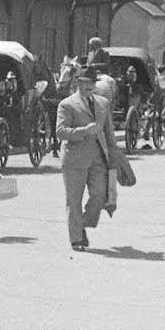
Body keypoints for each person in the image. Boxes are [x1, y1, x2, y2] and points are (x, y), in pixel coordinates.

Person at [56, 65, 119, 251]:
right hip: (74, 159)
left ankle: (83, 224)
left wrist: (114, 153)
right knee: (74, 199)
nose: (88, 87)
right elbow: (60, 131)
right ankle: (76, 239)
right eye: (84, 83)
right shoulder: (67, 104)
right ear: (77, 83)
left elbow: (109, 130)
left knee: (100, 195)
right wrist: (83, 131)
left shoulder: (102, 103)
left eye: (91, 83)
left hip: (98, 158)